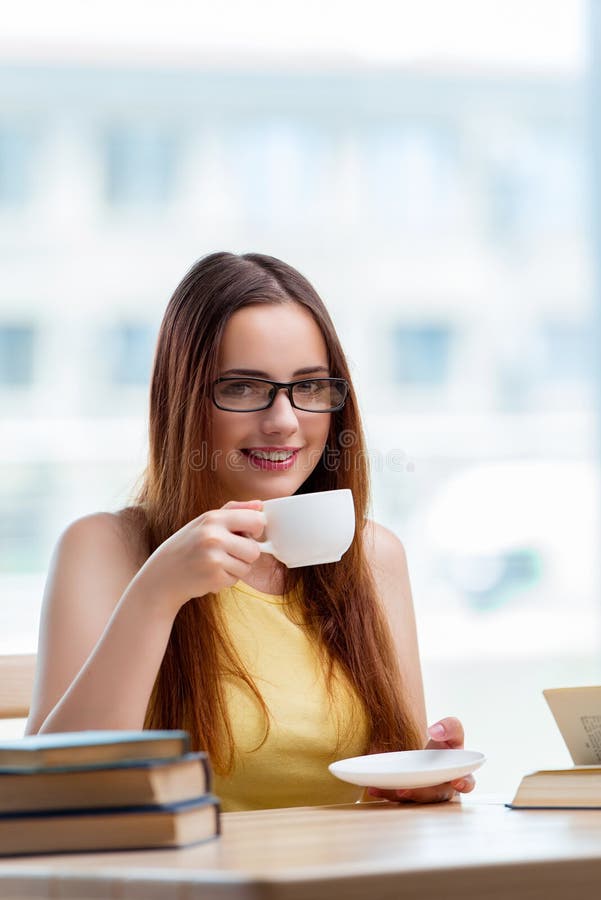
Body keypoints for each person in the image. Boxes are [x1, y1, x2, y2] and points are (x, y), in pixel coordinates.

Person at [25, 251, 475, 811]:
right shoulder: (105, 549)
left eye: (309, 387)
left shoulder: (374, 556)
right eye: (242, 388)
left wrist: (423, 779)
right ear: (182, 399)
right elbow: (50, 799)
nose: (284, 420)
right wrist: (158, 592)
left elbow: (392, 787)